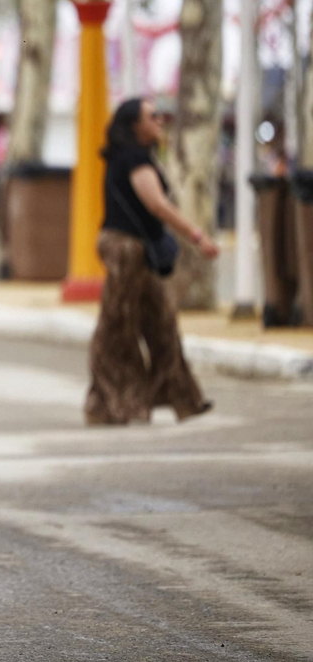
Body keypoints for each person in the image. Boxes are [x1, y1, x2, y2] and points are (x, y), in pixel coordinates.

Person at [87, 98, 216, 425]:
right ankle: (114, 404)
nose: (160, 120)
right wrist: (196, 236)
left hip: (138, 250)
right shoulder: (133, 158)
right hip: (125, 250)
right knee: (119, 326)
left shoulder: (138, 156)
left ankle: (183, 397)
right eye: (152, 116)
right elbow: (157, 204)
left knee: (161, 321)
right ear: (134, 125)